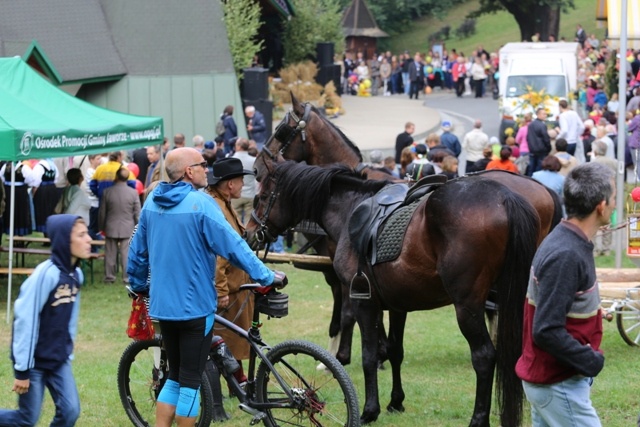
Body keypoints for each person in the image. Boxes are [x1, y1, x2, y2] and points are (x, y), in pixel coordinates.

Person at [127, 147, 286, 427]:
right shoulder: (201, 205)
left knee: (174, 375)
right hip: (195, 310)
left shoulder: (152, 202)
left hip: (163, 308)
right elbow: (234, 246)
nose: (206, 170)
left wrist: (140, 285)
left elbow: (137, 252)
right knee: (189, 381)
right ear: (189, 171)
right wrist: (265, 275)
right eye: (202, 165)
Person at [516, 162, 614, 426]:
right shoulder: (566, 254)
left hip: (553, 382)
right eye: (614, 197)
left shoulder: (568, 239)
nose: (615, 204)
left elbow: (557, 302)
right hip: (557, 384)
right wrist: (591, 361)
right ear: (601, 206)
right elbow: (546, 329)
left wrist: (591, 313)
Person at [0, 214, 92, 427]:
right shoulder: (46, 275)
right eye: (81, 235)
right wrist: (22, 370)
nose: (89, 239)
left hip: (58, 359)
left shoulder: (76, 275)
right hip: (34, 363)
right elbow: (25, 320)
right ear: (64, 241)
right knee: (26, 419)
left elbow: (70, 317)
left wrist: (67, 347)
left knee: (70, 411)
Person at [205, 158, 256, 388]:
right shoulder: (216, 206)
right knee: (224, 339)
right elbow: (219, 253)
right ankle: (228, 386)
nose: (243, 183)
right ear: (230, 184)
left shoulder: (224, 203)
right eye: (240, 179)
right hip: (228, 288)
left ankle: (239, 382)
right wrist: (221, 289)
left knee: (235, 339)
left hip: (236, 285)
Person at [99, 167, 140, 284]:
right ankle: (127, 278)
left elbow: (102, 212)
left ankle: (109, 277)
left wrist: (101, 227)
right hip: (128, 227)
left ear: (116, 177)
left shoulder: (107, 191)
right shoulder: (133, 193)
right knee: (126, 254)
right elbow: (137, 212)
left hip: (111, 226)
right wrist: (139, 227)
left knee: (110, 254)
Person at [28, 158, 59, 236]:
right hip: (52, 189)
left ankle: (46, 233)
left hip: (42, 191)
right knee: (51, 210)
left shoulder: (39, 166)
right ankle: (51, 232)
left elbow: (36, 182)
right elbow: (56, 179)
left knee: (43, 211)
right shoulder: (53, 166)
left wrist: (34, 194)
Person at [230, 138, 256, 223]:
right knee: (248, 221)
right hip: (250, 194)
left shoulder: (231, 159)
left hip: (235, 193)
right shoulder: (254, 160)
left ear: (238, 146)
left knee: (235, 221)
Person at [526, 108, 552, 176]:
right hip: (541, 151)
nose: (545, 115)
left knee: (531, 168)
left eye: (546, 114)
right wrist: (549, 148)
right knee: (539, 169)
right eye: (543, 114)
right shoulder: (542, 125)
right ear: (538, 115)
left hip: (532, 150)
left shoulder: (530, 125)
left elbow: (528, 137)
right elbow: (546, 138)